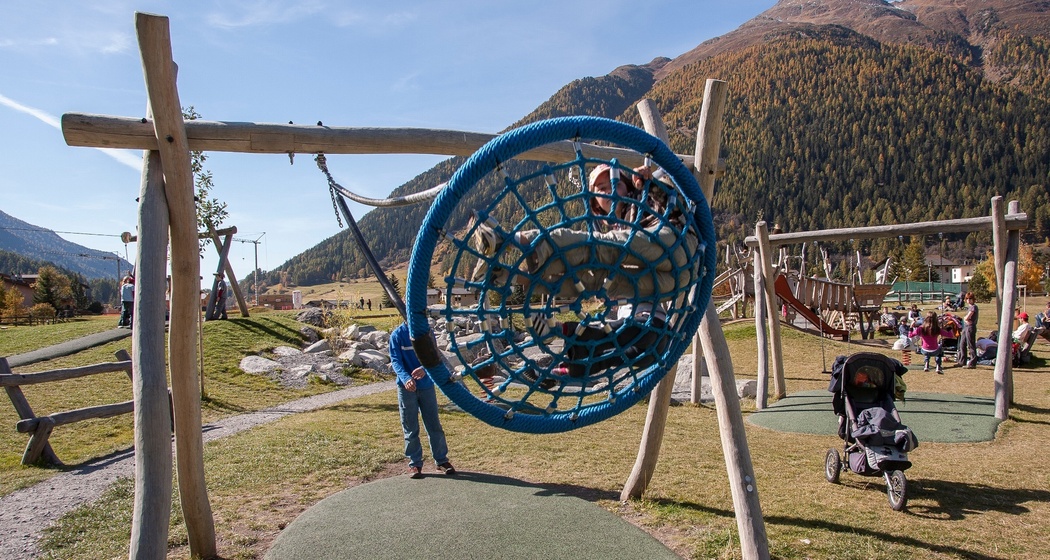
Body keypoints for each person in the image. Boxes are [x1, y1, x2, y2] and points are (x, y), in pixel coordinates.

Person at [471, 163, 698, 302]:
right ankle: (503, 276)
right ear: (596, 203)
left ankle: (506, 240)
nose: (610, 192)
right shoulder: (617, 225)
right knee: (598, 280)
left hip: (679, 248)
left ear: (627, 187)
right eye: (602, 189)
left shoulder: (641, 199)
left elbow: (676, 205)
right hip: (671, 284)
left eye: (616, 185)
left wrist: (648, 182)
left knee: (599, 247)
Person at [389, 322, 456, 479]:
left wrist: (424, 369)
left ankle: (441, 460)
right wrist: (405, 379)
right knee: (410, 426)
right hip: (406, 388)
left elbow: (433, 356)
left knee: (434, 425)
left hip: (427, 386)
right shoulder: (397, 335)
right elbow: (395, 360)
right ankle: (415, 463)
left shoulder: (426, 332)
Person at [958, 292, 979, 368]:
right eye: (967, 299)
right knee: (962, 344)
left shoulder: (974, 307)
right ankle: (962, 361)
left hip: (970, 327)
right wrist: (965, 319)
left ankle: (972, 363)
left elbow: (967, 317)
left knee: (970, 345)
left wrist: (965, 318)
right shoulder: (969, 307)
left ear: (973, 299)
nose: (968, 300)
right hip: (966, 327)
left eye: (970, 298)